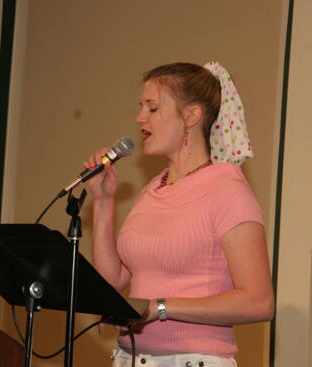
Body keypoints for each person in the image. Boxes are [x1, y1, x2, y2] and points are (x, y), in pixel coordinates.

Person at [85, 62, 274, 367]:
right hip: (129, 358)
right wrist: (103, 201)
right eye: (141, 107)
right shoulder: (152, 190)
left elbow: (259, 302)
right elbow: (112, 284)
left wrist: (161, 307)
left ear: (191, 116)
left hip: (193, 360)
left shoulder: (228, 189)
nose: (139, 117)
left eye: (153, 108)